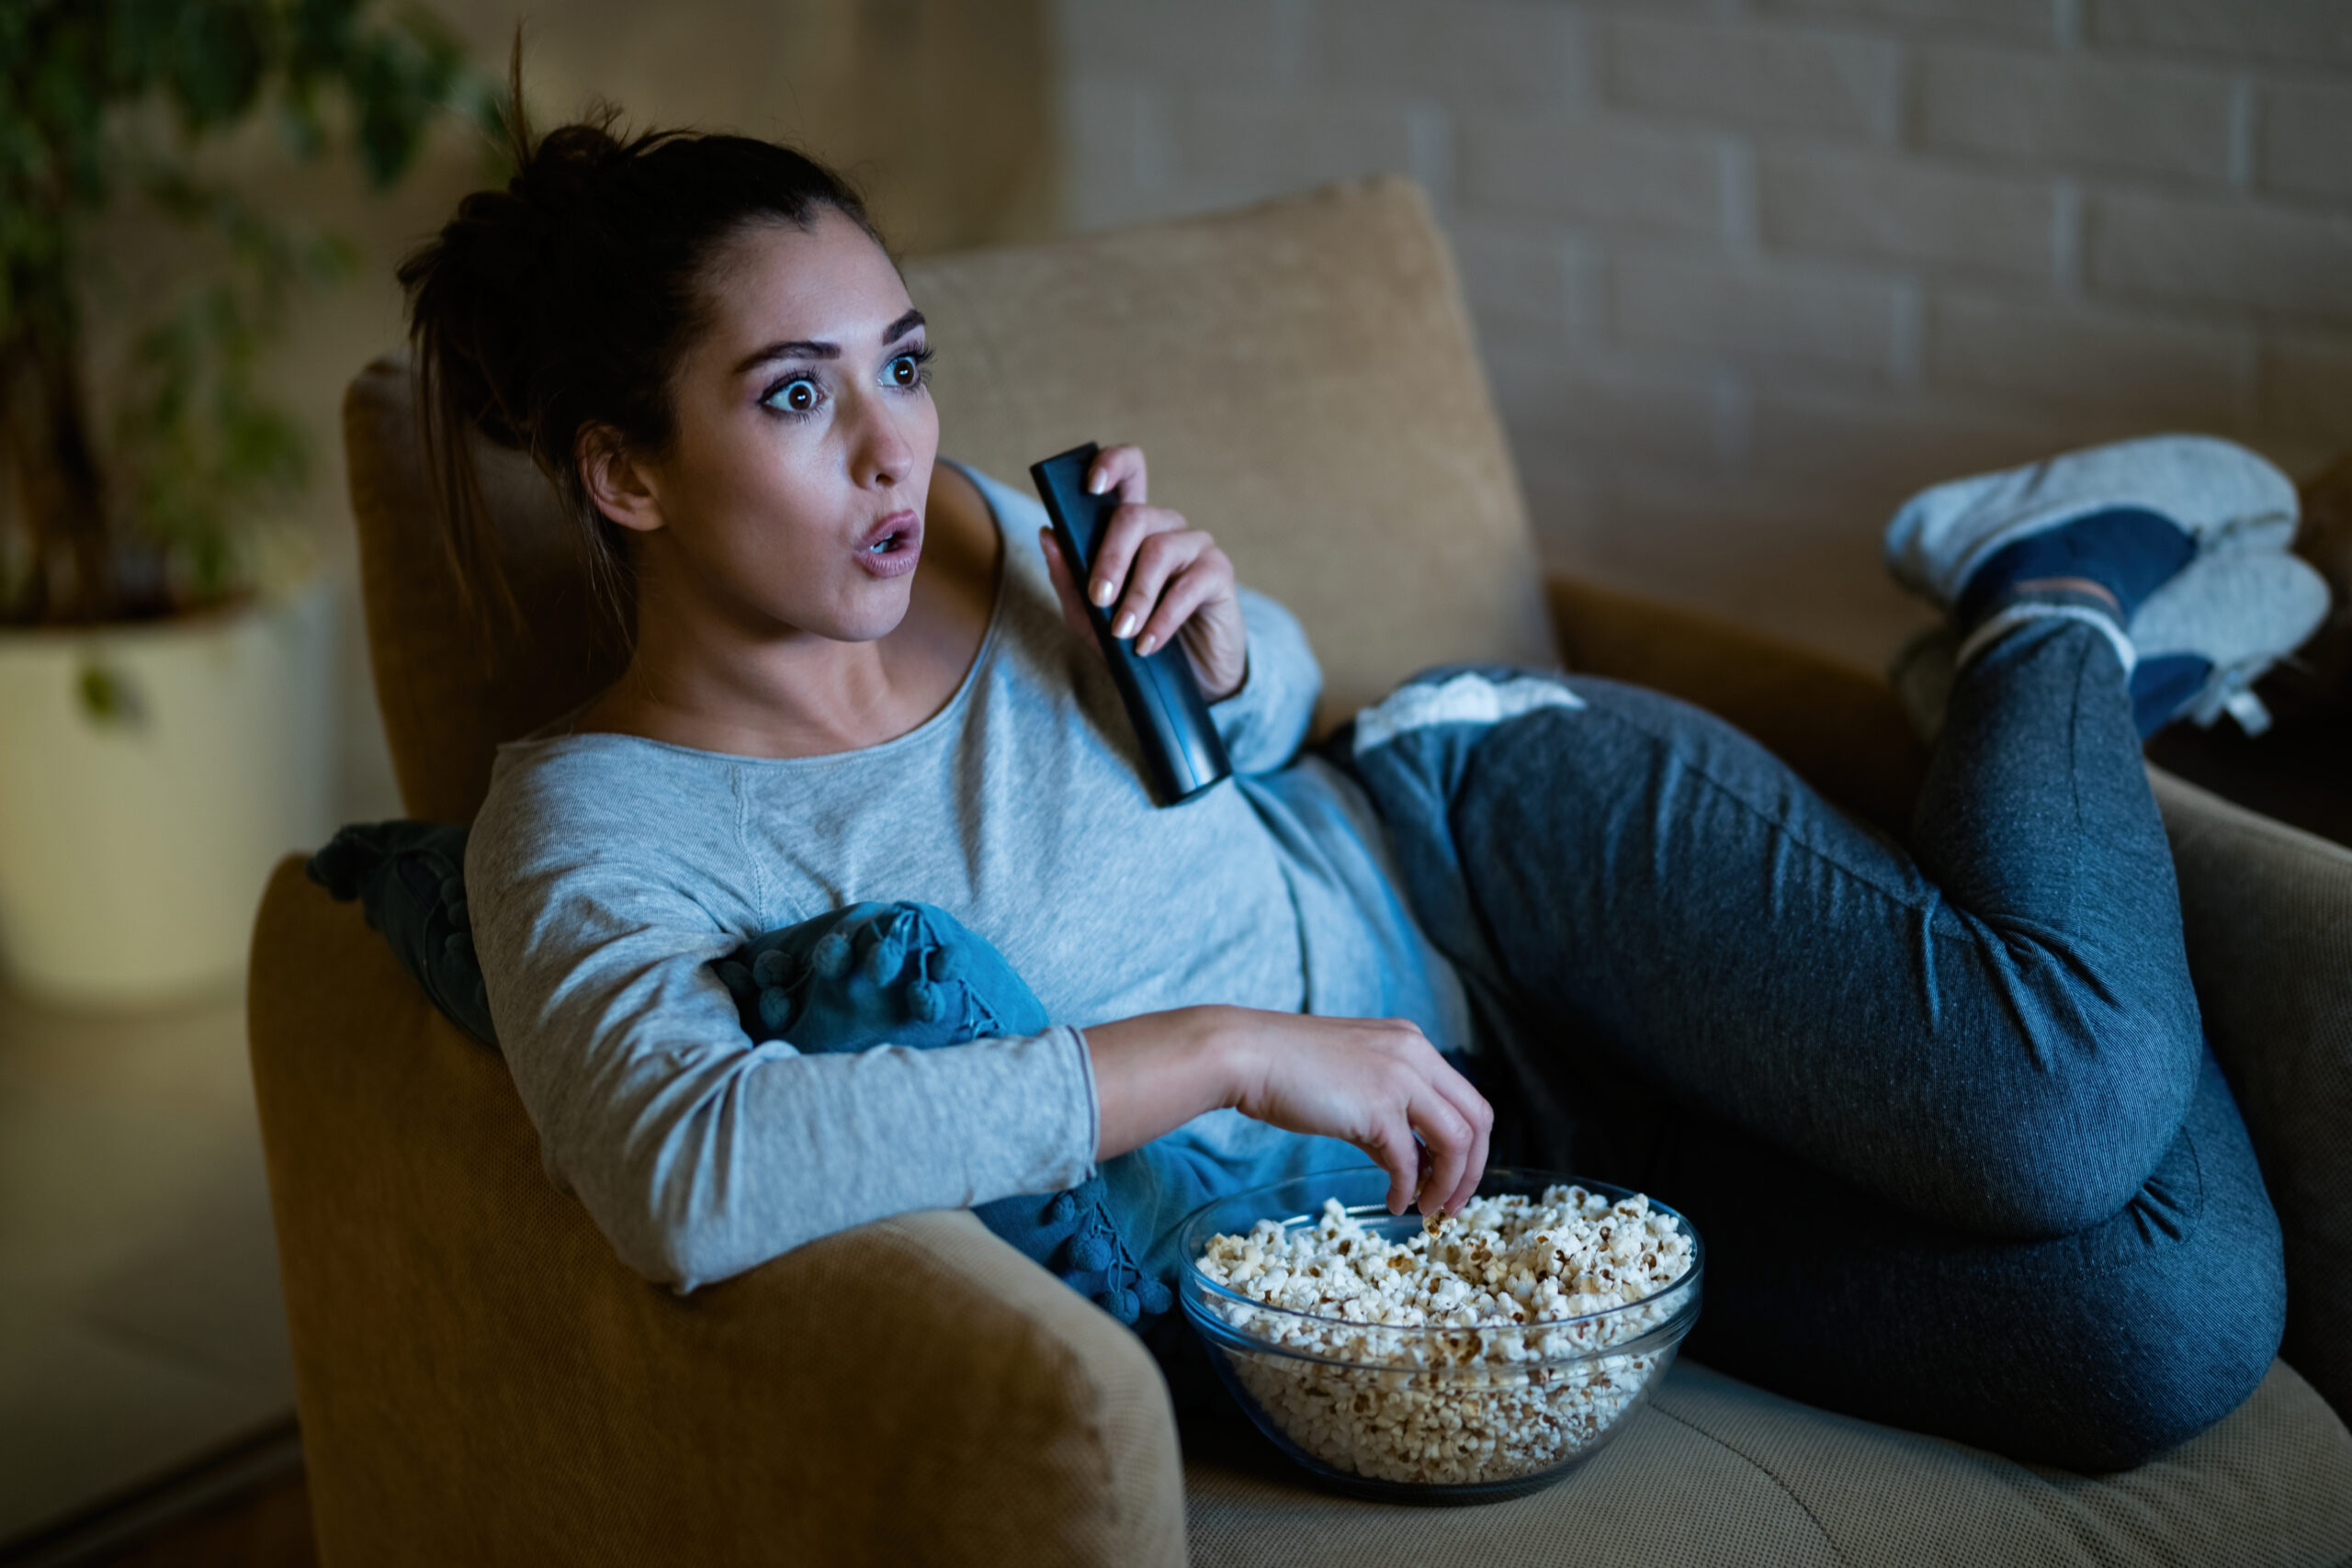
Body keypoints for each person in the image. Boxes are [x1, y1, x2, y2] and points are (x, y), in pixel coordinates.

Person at [401, 101, 2321, 1475]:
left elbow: (1284, 718)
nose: (894, 449)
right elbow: (685, 1170)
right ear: (623, 473)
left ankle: (2043, 593)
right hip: (1462, 1180)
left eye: (902, 365)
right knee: (2156, 1323)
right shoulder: (589, 824)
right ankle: (2068, 709)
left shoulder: (981, 529)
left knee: (2058, 1102)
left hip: (1487, 844)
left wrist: (1227, 645)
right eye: (796, 395)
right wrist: (1225, 1050)